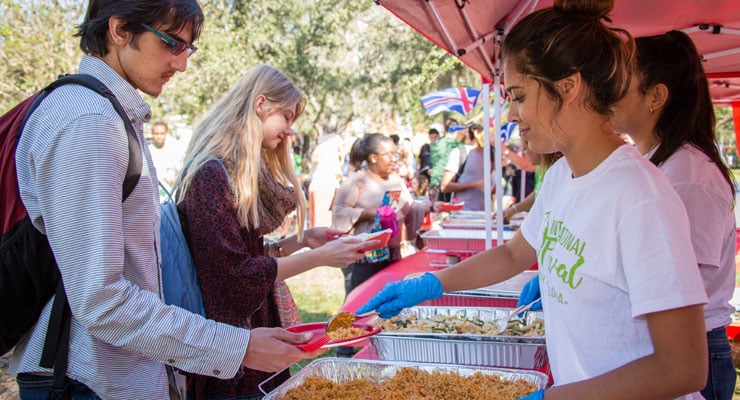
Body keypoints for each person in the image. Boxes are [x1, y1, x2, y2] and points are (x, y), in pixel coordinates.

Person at [357, 1, 710, 399]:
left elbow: (682, 368)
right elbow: (513, 256)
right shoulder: (561, 175)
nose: (511, 113)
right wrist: (432, 283)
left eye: (520, 96)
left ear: (569, 87)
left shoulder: (640, 198)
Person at [11, 2, 326, 399]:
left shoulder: (106, 113)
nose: (181, 65)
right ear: (120, 30)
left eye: (187, 49)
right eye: (171, 44)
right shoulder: (89, 121)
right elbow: (102, 300)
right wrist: (237, 346)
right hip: (87, 381)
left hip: (114, 375)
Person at [176, 64, 372, 399]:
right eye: (287, 117)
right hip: (231, 357)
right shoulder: (211, 176)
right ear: (260, 104)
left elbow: (239, 256)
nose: (290, 131)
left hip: (251, 342)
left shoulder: (229, 173)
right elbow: (235, 279)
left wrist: (300, 241)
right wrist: (319, 258)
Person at [612, 30, 737, 400]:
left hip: (694, 357)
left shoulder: (690, 175)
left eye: (621, 80)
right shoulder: (656, 162)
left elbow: (680, 285)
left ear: (656, 97)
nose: (608, 89)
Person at [440, 123, 495, 211]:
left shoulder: (492, 154)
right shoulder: (459, 152)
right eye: (489, 133)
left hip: (486, 214)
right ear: (477, 133)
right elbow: (445, 186)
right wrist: (475, 184)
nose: (491, 137)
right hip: (463, 212)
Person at [502, 139, 561, 220]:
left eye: (525, 149)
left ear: (538, 148)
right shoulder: (540, 168)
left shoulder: (555, 170)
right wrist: (513, 209)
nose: (523, 153)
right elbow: (537, 193)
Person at [429, 119, 464, 202]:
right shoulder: (459, 146)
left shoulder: (435, 144)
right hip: (450, 183)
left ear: (445, 129)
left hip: (436, 181)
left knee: (435, 212)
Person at [148, 121, 182, 190]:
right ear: (152, 134)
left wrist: (175, 179)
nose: (159, 136)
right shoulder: (147, 151)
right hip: (153, 192)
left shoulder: (174, 151)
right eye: (156, 134)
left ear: (166, 133)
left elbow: (180, 171)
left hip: (170, 193)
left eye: (162, 133)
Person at [415, 127, 439, 197]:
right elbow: (419, 159)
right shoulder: (425, 147)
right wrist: (418, 170)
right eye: (432, 137)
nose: (433, 139)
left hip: (434, 173)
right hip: (423, 173)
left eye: (435, 137)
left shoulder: (440, 148)